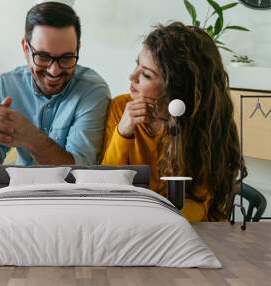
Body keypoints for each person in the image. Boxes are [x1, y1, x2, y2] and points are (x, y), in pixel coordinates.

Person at [101, 22, 245, 222]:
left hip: (187, 231)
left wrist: (149, 216)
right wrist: (123, 132)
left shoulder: (206, 126)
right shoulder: (121, 107)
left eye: (146, 74)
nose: (132, 77)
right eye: (137, 65)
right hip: (133, 224)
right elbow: (106, 184)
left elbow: (200, 206)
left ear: (175, 88)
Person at [0, 2, 110, 170]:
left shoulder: (93, 91)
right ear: (25, 49)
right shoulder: (6, 85)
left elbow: (79, 172)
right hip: (17, 189)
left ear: (78, 49)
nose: (54, 70)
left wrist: (32, 138)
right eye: (43, 57)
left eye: (66, 58)